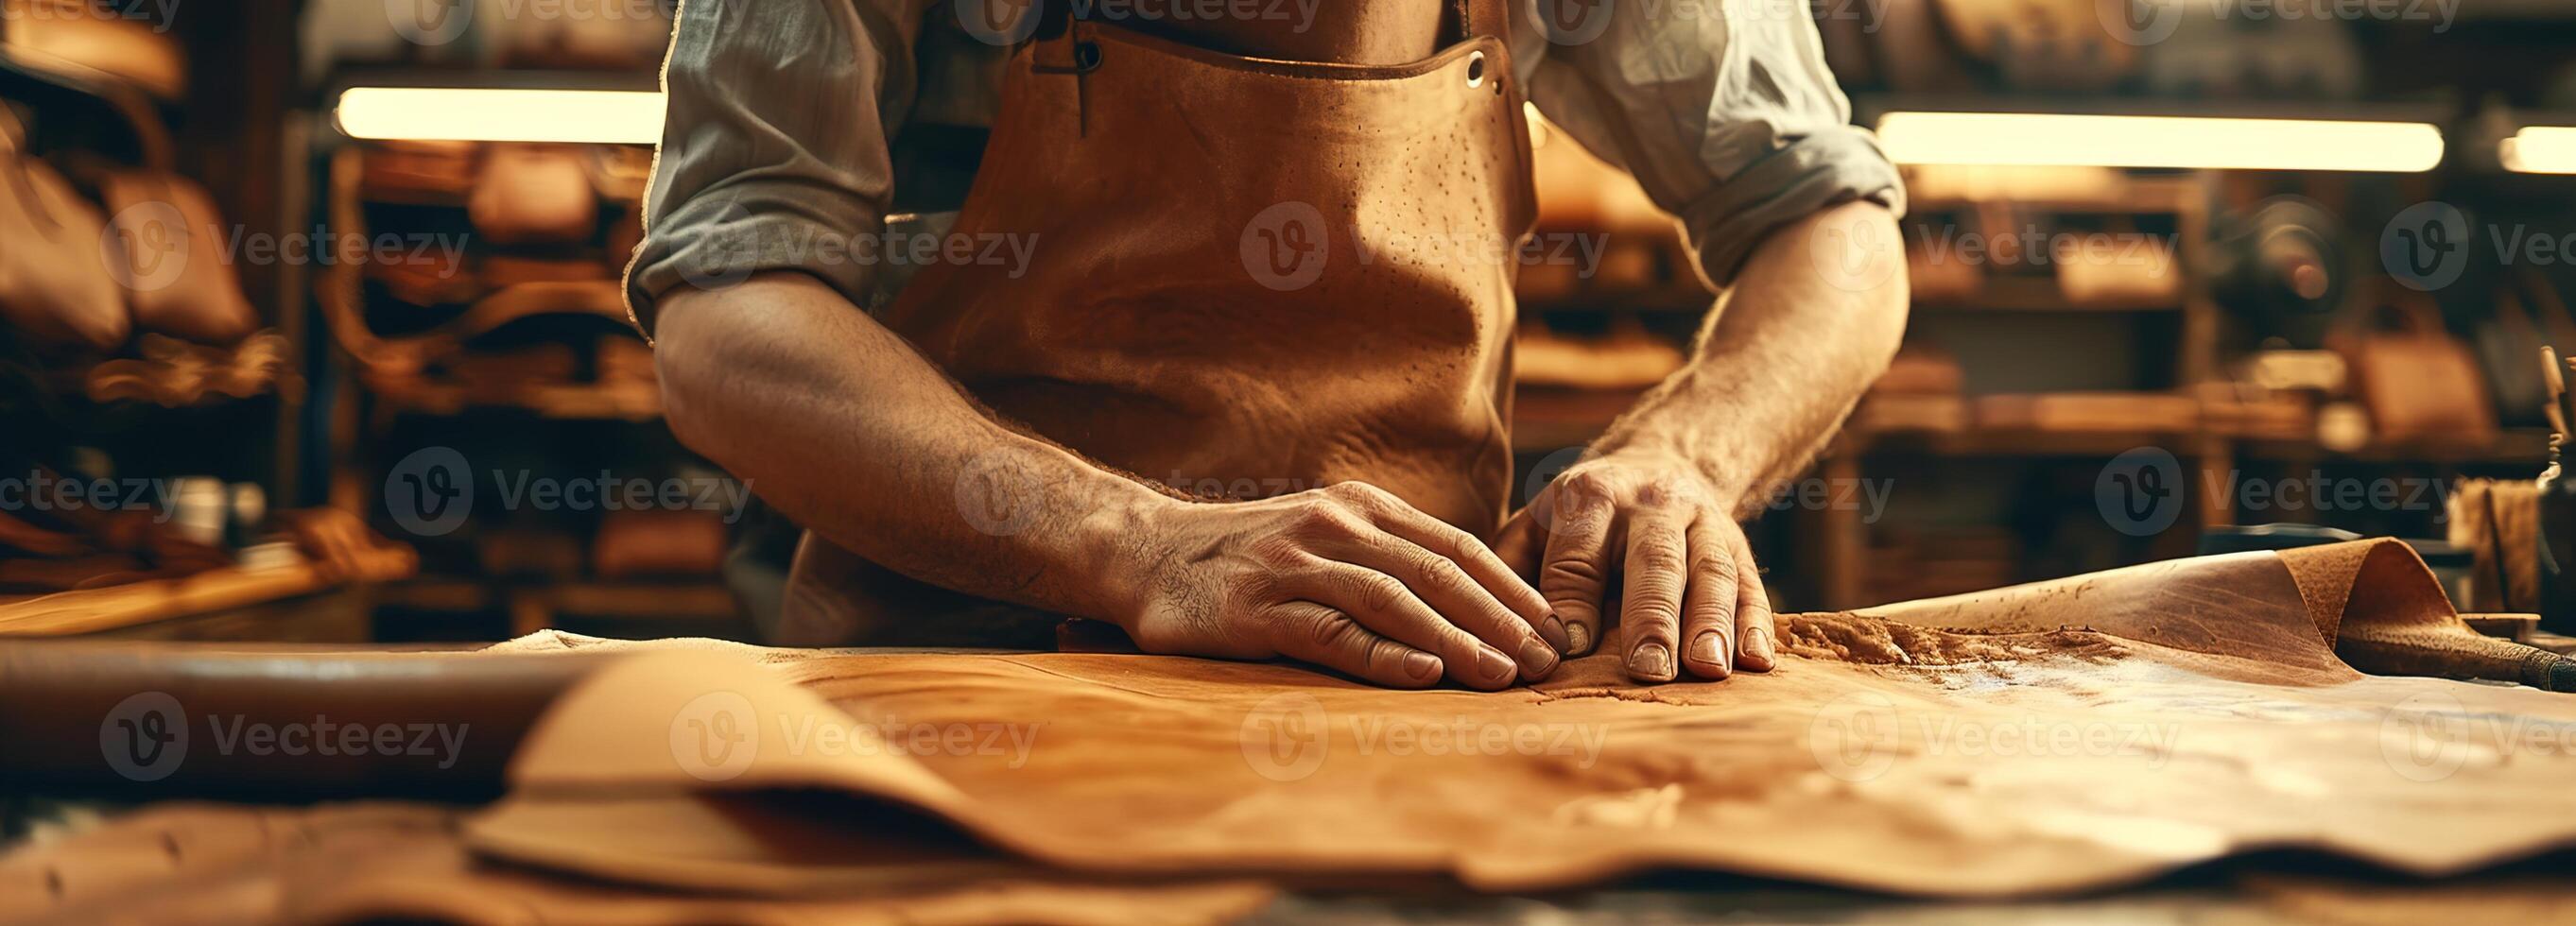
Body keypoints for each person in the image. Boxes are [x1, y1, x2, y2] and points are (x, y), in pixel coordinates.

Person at [629, 0, 1909, 689]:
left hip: (1417, 664)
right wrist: (1131, 547)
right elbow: (724, 312)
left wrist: (1681, 457)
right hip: (963, 670)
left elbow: (1826, 219)